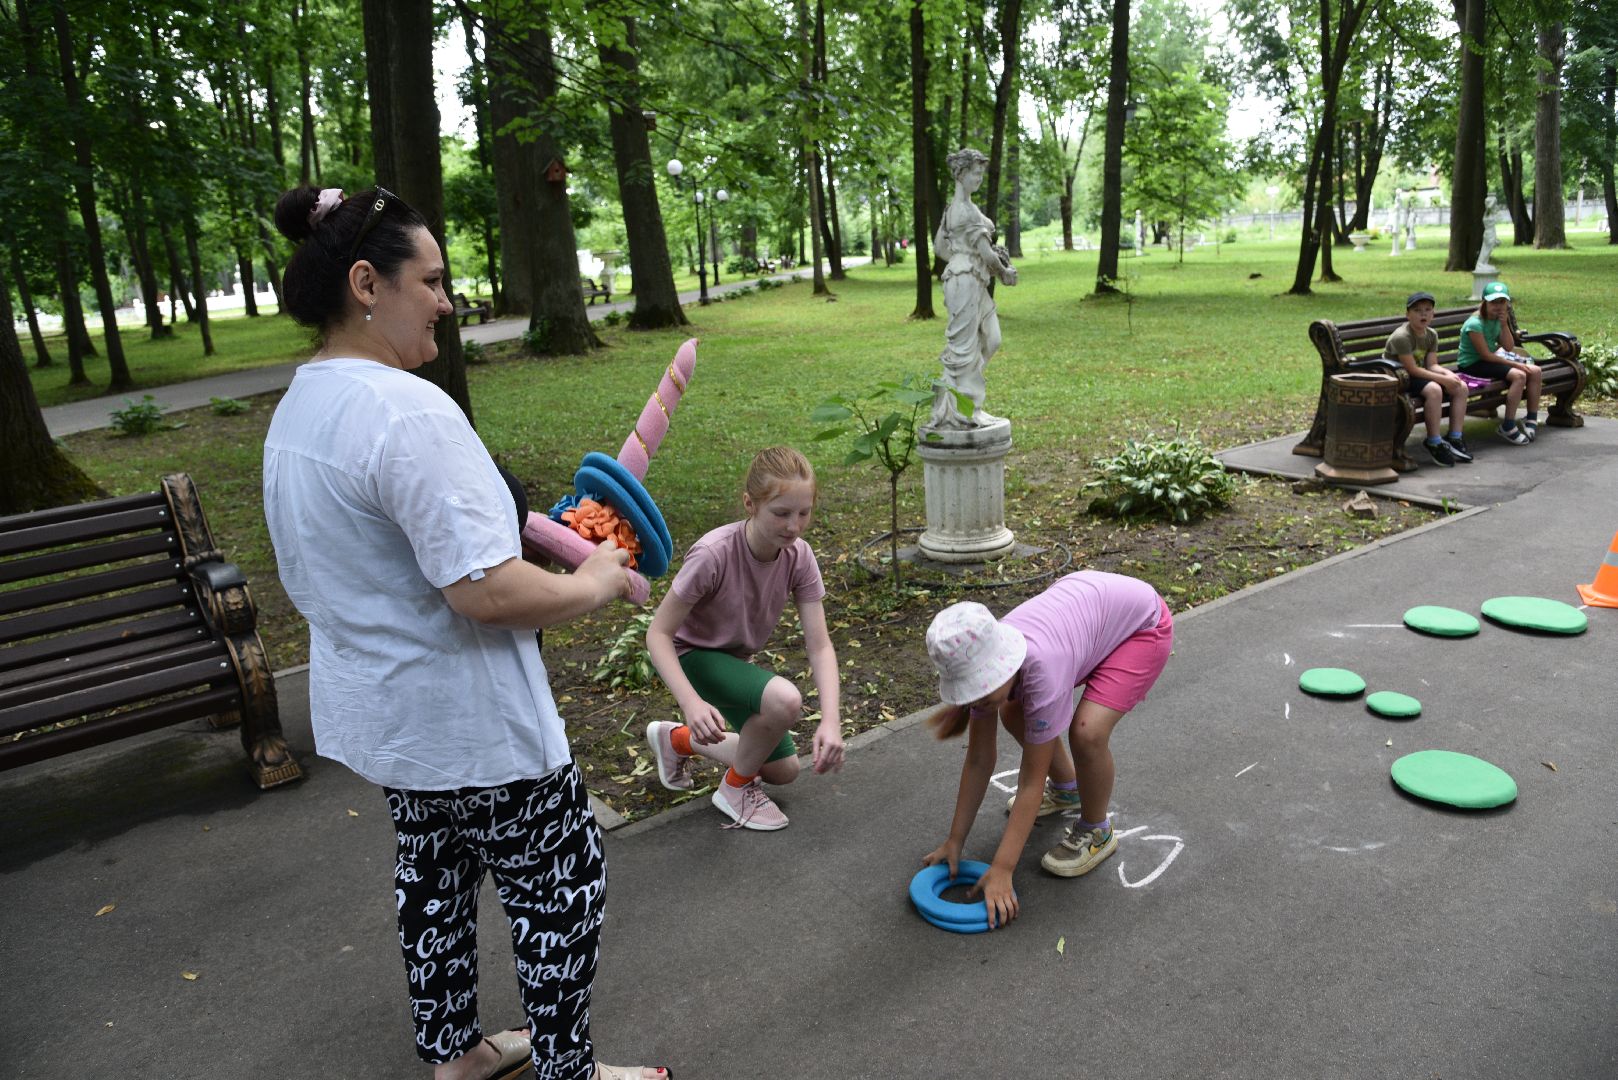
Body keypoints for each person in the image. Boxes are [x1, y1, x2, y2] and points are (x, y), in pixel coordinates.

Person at [262, 184, 668, 1080]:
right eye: (433, 282)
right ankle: (571, 1071)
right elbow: (485, 592)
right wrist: (597, 581)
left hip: (394, 728)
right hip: (479, 732)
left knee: (435, 885)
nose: (449, 302)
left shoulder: (301, 410)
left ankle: (457, 1055)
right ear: (368, 283)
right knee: (563, 894)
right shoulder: (406, 410)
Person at [921, 572, 1173, 930]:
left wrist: (1003, 867)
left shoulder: (1042, 670)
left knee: (1087, 732)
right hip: (1091, 611)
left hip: (1142, 629)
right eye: (970, 695)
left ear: (1002, 667)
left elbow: (1029, 783)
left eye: (981, 694)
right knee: (1009, 707)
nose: (976, 703)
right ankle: (1068, 790)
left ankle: (1097, 830)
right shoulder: (983, 661)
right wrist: (955, 840)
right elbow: (979, 760)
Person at [643, 447, 845, 831]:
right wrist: (692, 703)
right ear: (750, 504)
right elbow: (659, 633)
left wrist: (831, 721)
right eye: (781, 513)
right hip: (692, 657)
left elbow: (819, 645)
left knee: (783, 770)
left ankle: (677, 741)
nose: (794, 526)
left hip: (735, 665)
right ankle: (734, 791)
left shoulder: (798, 556)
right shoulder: (713, 554)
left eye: (804, 513)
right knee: (785, 699)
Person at [931, 147, 1018, 429]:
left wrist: (964, 257)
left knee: (991, 340)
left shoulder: (958, 209)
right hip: (965, 283)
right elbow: (987, 254)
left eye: (981, 174)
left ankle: (960, 399)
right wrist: (1003, 272)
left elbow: (941, 249)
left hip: (972, 280)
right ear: (961, 174)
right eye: (975, 174)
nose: (979, 179)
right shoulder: (964, 212)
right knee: (964, 348)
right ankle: (963, 408)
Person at [1384, 291, 1472, 466]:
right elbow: (1412, 369)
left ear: (1433, 314)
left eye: (1427, 309)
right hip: (1399, 378)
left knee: (1460, 387)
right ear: (1407, 314)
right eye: (1417, 310)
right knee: (1434, 390)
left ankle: (1455, 437)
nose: (1423, 314)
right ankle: (1434, 441)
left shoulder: (1431, 335)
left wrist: (1448, 375)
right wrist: (1442, 380)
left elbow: (1432, 365)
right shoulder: (1402, 337)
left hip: (1416, 375)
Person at [1456, 280, 1541, 445]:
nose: (1498, 306)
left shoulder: (1497, 320)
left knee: (1535, 371)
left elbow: (1509, 347)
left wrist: (1504, 325)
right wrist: (1516, 365)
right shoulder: (1475, 324)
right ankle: (1508, 426)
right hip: (1472, 364)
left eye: (1502, 302)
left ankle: (1531, 418)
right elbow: (1486, 355)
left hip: (1488, 361)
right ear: (1484, 302)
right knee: (1519, 376)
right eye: (1493, 302)